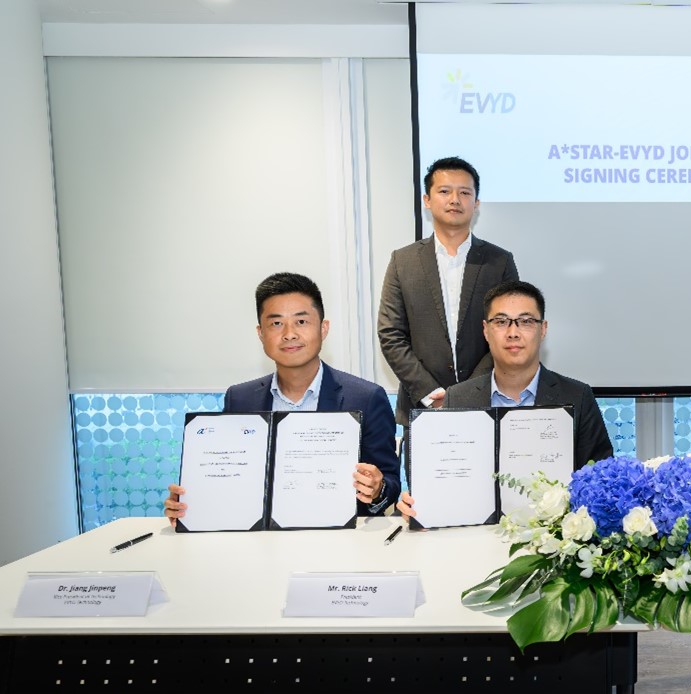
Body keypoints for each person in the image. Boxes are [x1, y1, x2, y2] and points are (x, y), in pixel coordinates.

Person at [165, 273, 400, 525]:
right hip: (262, 537)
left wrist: (377, 489)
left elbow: (390, 484)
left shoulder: (366, 398)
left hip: (339, 537)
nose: (289, 334)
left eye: (301, 321)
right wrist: (193, 503)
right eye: (276, 323)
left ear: (323, 328)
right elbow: (229, 474)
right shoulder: (240, 399)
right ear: (260, 333)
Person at [396, 280, 613, 518]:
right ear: (485, 330)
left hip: (552, 535)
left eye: (526, 321)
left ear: (543, 329)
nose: (513, 333)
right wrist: (421, 505)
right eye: (501, 322)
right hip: (475, 534)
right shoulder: (457, 398)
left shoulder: (577, 396)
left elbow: (600, 483)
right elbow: (444, 483)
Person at [378, 157, 519, 425]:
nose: (455, 200)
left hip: (487, 405)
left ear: (476, 203)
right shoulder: (402, 261)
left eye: (464, 193)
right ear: (427, 200)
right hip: (422, 408)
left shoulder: (499, 261)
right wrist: (430, 393)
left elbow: (508, 331)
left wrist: (468, 394)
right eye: (444, 191)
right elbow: (391, 334)